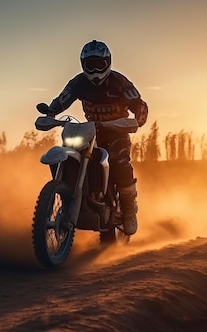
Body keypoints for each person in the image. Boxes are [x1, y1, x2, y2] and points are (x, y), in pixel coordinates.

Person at [42, 39, 148, 236]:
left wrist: (138, 119)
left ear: (108, 62)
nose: (95, 69)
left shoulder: (119, 82)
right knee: (72, 152)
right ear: (83, 65)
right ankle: (69, 196)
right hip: (90, 131)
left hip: (117, 131)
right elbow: (62, 100)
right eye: (90, 64)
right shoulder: (78, 83)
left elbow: (138, 103)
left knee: (119, 161)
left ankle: (128, 211)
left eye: (99, 64)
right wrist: (50, 113)